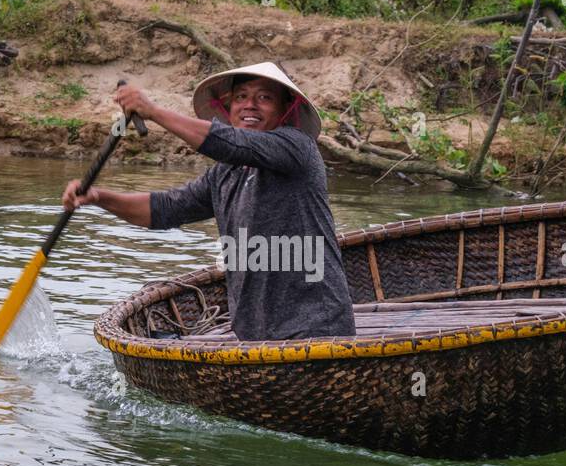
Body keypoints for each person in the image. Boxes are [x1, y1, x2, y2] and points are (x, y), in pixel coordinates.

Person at [61, 62, 356, 341]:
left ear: (284, 110)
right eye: (241, 97)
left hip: (316, 330)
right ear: (229, 108)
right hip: (255, 337)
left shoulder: (296, 147)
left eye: (264, 97)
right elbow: (164, 209)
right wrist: (99, 198)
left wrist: (152, 111)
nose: (249, 105)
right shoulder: (225, 175)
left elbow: (229, 142)